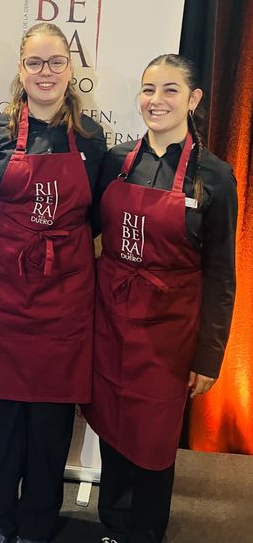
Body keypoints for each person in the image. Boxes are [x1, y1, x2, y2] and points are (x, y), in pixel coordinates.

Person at [0, 22, 106, 543]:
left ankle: (38, 525)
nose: (46, 72)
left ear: (70, 69)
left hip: (65, 300)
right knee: (0, 420)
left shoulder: (91, 140)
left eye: (56, 62)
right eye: (35, 62)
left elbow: (98, 219)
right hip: (2, 296)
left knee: (50, 425)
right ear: (21, 70)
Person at [83, 54, 237, 543]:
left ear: (193, 100)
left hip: (169, 333)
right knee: (112, 427)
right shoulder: (116, 161)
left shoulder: (215, 177)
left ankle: (146, 532)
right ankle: (113, 527)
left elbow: (221, 274)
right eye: (149, 89)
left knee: (152, 439)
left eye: (171, 90)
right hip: (111, 319)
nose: (157, 100)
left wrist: (209, 357)